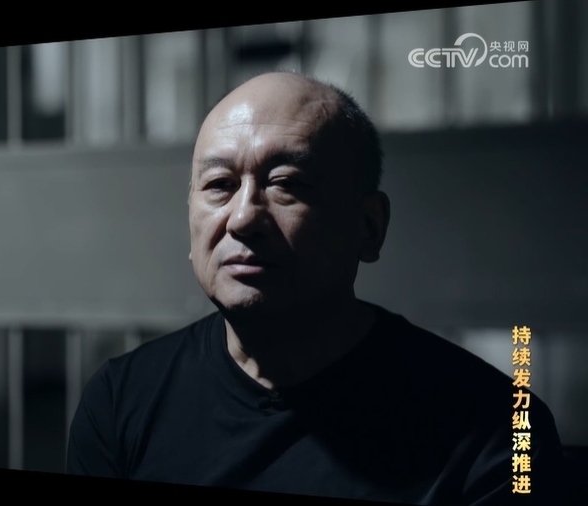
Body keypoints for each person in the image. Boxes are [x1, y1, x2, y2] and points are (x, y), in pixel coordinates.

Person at [65, 72, 568, 505]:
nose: (242, 218)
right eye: (219, 185)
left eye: (286, 183)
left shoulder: (501, 431)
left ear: (369, 227)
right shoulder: (121, 400)